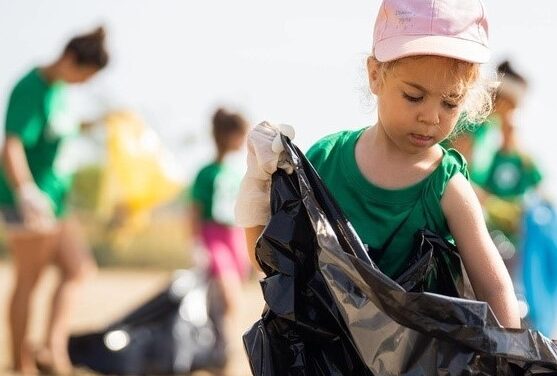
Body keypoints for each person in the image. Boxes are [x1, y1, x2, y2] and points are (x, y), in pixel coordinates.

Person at [235, 0, 521, 330]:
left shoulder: (447, 185)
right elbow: (271, 263)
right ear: (375, 75)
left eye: (450, 102)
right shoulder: (326, 160)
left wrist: (512, 357)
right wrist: (257, 190)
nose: (430, 116)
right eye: (414, 96)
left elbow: (494, 286)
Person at [1, 27, 109, 375]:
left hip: (56, 203)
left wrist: (97, 124)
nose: (82, 83)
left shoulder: (59, 90)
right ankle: (21, 364)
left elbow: (60, 129)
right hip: (29, 200)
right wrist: (26, 192)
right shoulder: (30, 88)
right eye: (84, 75)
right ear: (68, 60)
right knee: (28, 281)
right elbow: (12, 145)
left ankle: (51, 349)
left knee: (78, 269)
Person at [189, 108, 251, 364]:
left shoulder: (237, 172)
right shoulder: (206, 173)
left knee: (229, 299)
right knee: (227, 294)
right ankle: (224, 348)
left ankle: (219, 348)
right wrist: (195, 244)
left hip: (234, 236)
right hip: (212, 236)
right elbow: (193, 211)